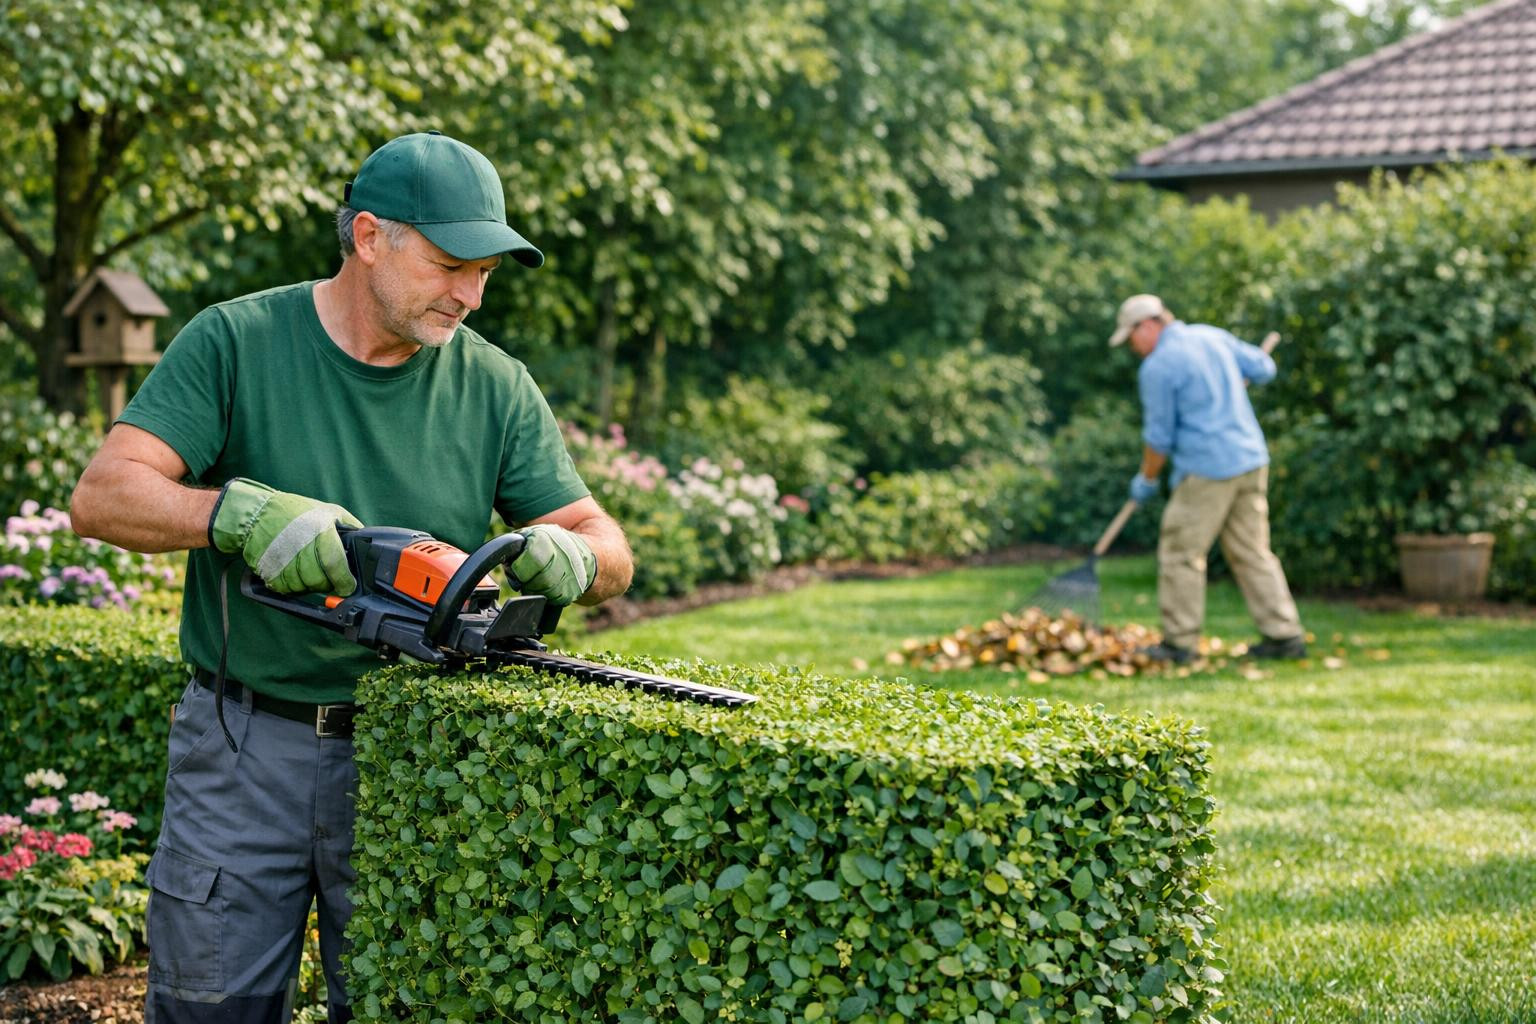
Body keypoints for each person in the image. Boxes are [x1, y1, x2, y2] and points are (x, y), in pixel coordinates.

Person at [70, 131, 633, 1023]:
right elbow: (104, 495)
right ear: (369, 237)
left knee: (394, 1006)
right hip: (243, 747)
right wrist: (234, 515)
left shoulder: (495, 385)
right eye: (451, 266)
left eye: (486, 273)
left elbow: (608, 544)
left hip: (415, 756)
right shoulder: (237, 340)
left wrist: (577, 555)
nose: (471, 295)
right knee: (209, 1006)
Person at [1108, 293, 1305, 664]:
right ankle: (1285, 635)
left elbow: (1158, 439)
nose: (1133, 347)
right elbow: (1264, 369)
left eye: (1130, 337)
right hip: (1250, 459)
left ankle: (1179, 644)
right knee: (1252, 552)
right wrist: (1241, 374)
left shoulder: (1158, 367)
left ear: (1147, 325)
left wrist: (1147, 479)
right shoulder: (1211, 336)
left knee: (1181, 552)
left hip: (1209, 469)